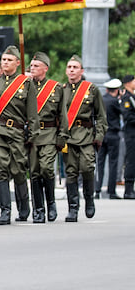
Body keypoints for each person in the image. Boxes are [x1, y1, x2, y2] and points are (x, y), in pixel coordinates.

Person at [0, 46, 38, 225]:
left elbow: (32, 112)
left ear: (17, 62)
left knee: (18, 170)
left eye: (9, 60)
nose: (5, 63)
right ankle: (5, 211)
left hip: (18, 132)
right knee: (0, 168)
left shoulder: (26, 83)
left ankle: (24, 208)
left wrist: (32, 135)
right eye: (4, 60)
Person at [61, 55, 106, 222]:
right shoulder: (62, 89)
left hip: (87, 136)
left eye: (75, 67)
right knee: (71, 173)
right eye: (69, 67)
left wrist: (99, 135)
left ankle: (89, 199)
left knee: (87, 168)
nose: (72, 70)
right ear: (66, 71)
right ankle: (73, 208)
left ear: (81, 71)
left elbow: (101, 116)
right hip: (69, 137)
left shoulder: (91, 89)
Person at [28, 52, 67, 222]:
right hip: (32, 135)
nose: (32, 68)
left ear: (45, 68)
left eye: (36, 66)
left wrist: (62, 136)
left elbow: (62, 115)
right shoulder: (25, 86)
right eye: (31, 65)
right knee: (35, 172)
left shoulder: (56, 88)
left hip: (49, 133)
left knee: (46, 168)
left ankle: (51, 203)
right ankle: (38, 208)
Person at [96, 78, 122, 199]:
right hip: (113, 134)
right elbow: (122, 112)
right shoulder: (115, 101)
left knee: (99, 163)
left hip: (101, 135)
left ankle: (97, 190)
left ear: (106, 89)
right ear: (117, 90)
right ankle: (111, 191)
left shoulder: (102, 100)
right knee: (113, 163)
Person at [120, 75, 135, 199]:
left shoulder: (132, 97)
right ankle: (128, 190)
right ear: (128, 83)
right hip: (131, 133)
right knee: (131, 160)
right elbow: (128, 117)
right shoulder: (126, 98)